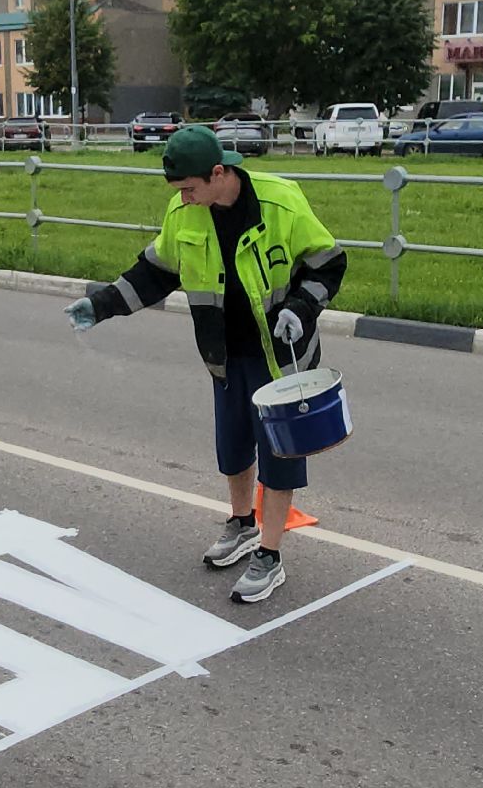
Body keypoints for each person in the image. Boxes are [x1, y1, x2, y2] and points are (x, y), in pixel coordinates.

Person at [65, 126, 346, 604]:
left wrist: (301, 309)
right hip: (223, 354)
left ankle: (271, 556)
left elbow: (329, 263)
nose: (183, 200)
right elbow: (155, 272)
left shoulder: (281, 202)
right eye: (178, 192)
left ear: (219, 173)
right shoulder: (185, 213)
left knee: (280, 456)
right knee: (232, 448)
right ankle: (242, 525)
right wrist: (104, 303)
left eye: (190, 189)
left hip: (280, 355)